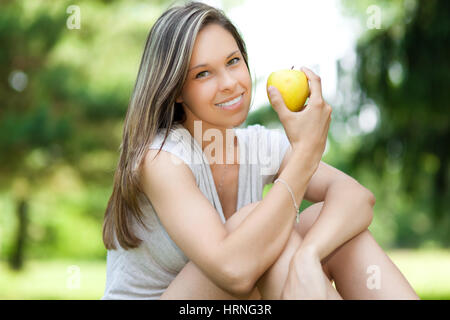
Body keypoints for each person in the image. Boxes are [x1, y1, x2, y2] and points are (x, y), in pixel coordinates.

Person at [101, 1, 419, 300]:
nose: (229, 82)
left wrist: (309, 256)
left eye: (233, 61)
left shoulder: (257, 144)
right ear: (177, 90)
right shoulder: (161, 159)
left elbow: (358, 198)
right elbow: (234, 271)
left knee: (330, 225)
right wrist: (306, 153)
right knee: (259, 228)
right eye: (203, 73)